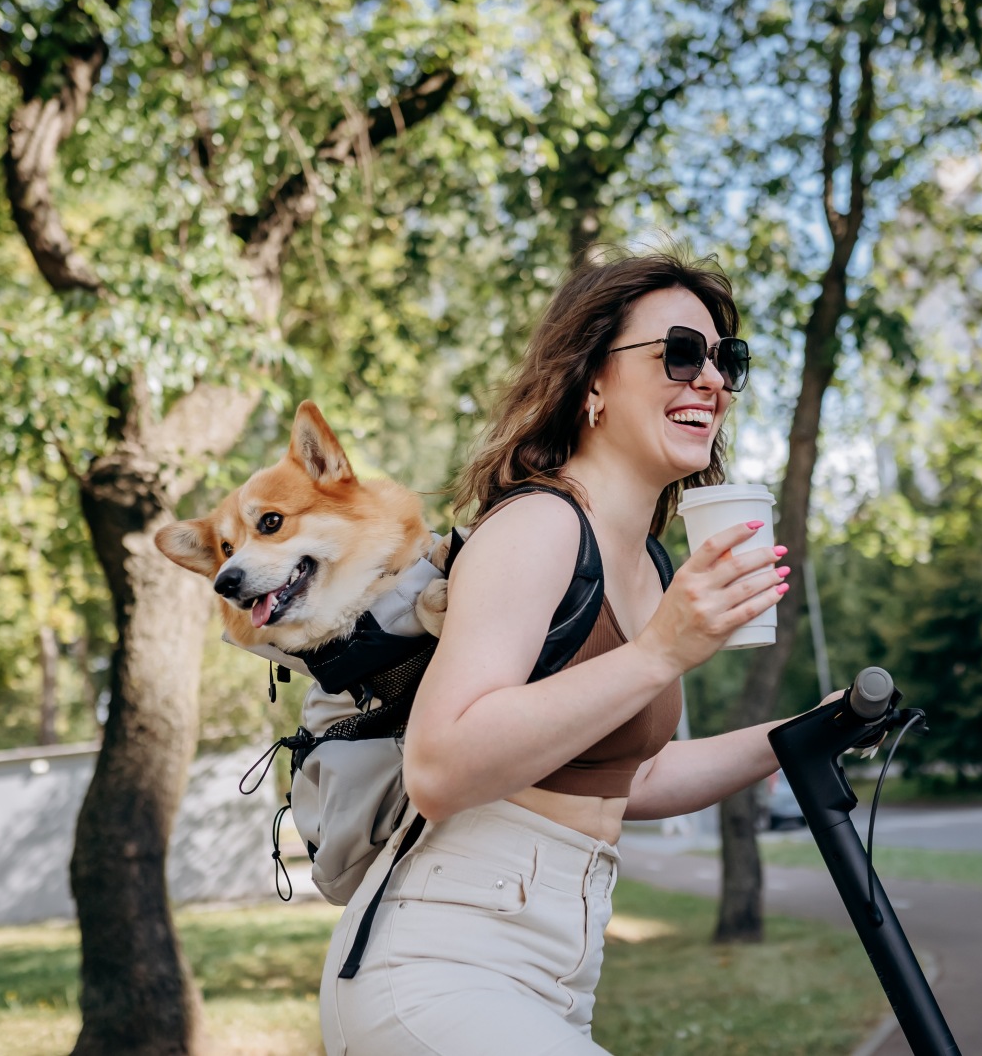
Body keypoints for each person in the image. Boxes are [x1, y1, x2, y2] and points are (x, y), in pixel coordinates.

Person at [319, 247, 793, 1054]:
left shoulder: (647, 563)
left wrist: (805, 733)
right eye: (680, 354)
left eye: (724, 359)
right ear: (592, 383)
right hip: (437, 963)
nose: (709, 379)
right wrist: (659, 651)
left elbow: (628, 776)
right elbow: (438, 769)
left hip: (556, 978)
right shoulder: (537, 526)